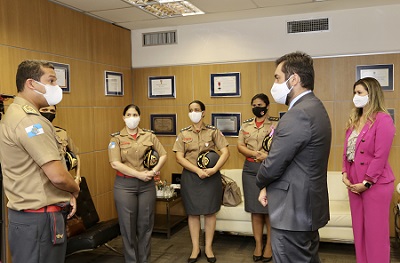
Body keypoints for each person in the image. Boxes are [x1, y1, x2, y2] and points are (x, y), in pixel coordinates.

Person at [0, 60, 80, 263]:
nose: (57, 87)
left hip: (27, 218)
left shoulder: (14, 114)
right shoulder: (31, 121)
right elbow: (58, 176)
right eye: (51, 80)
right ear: (31, 84)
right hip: (40, 219)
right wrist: (74, 189)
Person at [256, 51, 332, 263]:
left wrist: (261, 181)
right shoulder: (315, 107)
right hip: (304, 208)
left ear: (294, 79)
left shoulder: (298, 114)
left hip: (293, 212)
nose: (275, 85)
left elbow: (274, 164)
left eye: (277, 78)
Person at [341, 77, 395, 263]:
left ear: (371, 94)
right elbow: (347, 150)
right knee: (360, 232)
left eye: (359, 93)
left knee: (376, 235)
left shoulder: (383, 119)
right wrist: (344, 173)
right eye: (354, 93)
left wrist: (367, 182)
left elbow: (381, 156)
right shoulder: (355, 119)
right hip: (354, 185)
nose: (355, 96)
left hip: (375, 184)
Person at [108, 104, 167, 263]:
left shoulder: (149, 136)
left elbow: (163, 155)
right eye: (128, 114)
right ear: (123, 117)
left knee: (145, 226)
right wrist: (139, 175)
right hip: (124, 186)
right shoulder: (116, 138)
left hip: (146, 186)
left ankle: (144, 260)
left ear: (139, 117)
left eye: (135, 115)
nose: (131, 118)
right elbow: (115, 163)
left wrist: (153, 171)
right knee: (128, 228)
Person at [173, 100, 230, 263]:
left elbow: (225, 152)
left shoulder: (213, 131)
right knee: (193, 213)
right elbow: (178, 157)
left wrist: (214, 169)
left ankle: (209, 247)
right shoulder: (183, 134)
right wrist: (197, 170)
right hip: (191, 177)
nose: (194, 112)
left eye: (197, 109)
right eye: (191, 110)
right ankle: (195, 248)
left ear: (203, 112)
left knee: (210, 212)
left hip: (211, 177)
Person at [237, 93, 277, 262]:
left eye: (260, 104)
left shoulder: (276, 123)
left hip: (270, 168)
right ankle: (258, 244)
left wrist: (266, 157)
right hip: (250, 169)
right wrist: (255, 154)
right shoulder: (246, 125)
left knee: (269, 209)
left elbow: (283, 145)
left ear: (267, 106)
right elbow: (240, 145)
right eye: (253, 105)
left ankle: (269, 246)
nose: (256, 107)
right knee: (255, 210)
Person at [39, 105, 81, 184]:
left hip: (62, 180)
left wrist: (77, 177)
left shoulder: (61, 133)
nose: (49, 113)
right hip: (41, 182)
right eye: (44, 110)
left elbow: (76, 154)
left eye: (52, 111)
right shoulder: (32, 133)